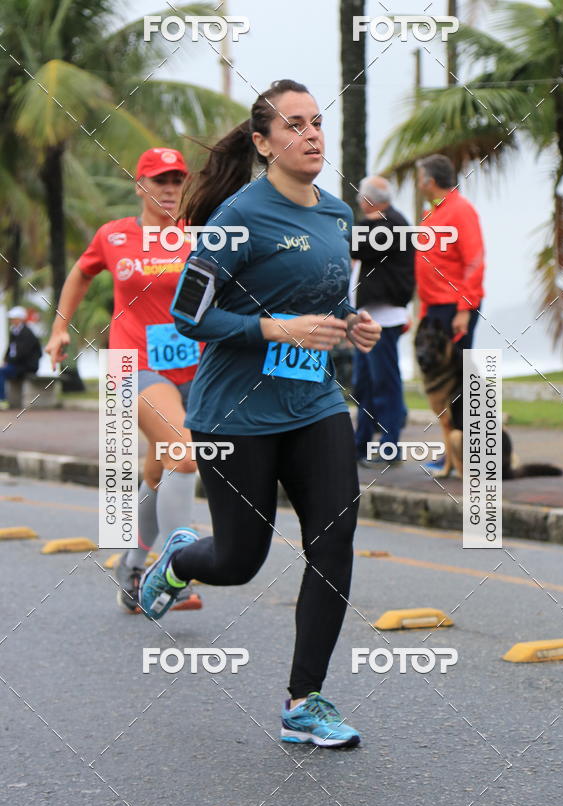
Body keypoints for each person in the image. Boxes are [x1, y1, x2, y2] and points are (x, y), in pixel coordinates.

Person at [139, 79, 381, 748]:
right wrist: (275, 330)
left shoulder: (336, 214)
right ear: (263, 143)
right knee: (241, 559)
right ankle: (182, 558)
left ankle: (305, 701)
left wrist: (349, 326)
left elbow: (322, 303)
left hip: (315, 403)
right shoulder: (238, 218)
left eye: (317, 122)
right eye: (295, 125)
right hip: (235, 415)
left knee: (331, 540)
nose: (312, 135)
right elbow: (188, 314)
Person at [45, 148, 203, 613]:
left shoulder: (199, 234)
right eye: (160, 181)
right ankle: (178, 570)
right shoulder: (114, 236)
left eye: (177, 180)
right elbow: (80, 273)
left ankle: (133, 568)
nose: (170, 189)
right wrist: (59, 328)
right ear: (140, 186)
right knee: (183, 456)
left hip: (195, 371)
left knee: (159, 471)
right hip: (133, 367)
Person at [414, 154, 485, 476]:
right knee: (443, 387)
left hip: (455, 308)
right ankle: (452, 455)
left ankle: (473, 455)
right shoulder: (435, 212)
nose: (418, 184)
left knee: (463, 382)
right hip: (435, 311)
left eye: (420, 179)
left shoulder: (461, 210)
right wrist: (426, 313)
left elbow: (473, 261)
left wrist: (463, 310)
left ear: (429, 181)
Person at [350, 175, 415, 466]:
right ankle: (360, 444)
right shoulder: (384, 222)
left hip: (384, 318)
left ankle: (390, 448)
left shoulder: (391, 224)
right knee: (364, 383)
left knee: (384, 383)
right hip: (369, 317)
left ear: (367, 201)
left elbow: (355, 246)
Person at [0, 306, 43, 407]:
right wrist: (6, 360)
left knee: (1, 372)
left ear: (20, 319)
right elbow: (10, 349)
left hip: (26, 366)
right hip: (16, 365)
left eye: (14, 318)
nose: (12, 320)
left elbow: (23, 354)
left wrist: (9, 362)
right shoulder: (14, 331)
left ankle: (2, 400)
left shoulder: (27, 333)